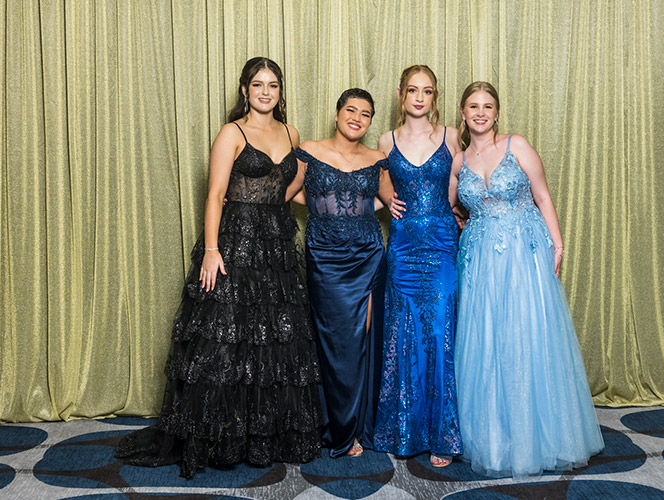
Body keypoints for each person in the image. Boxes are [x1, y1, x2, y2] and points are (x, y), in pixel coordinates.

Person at [115, 57, 322, 479]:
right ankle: (219, 438)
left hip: (276, 246)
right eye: (258, 84)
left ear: (281, 92)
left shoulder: (291, 132)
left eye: (273, 85)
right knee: (226, 340)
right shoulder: (232, 132)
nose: (266, 92)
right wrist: (212, 249)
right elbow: (214, 195)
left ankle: (262, 436)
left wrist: (282, 202)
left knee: (273, 340)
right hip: (234, 243)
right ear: (244, 90)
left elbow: (289, 185)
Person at [453, 81, 604, 477]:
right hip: (480, 256)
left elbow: (543, 196)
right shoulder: (458, 161)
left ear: (497, 113)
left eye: (487, 106)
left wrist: (557, 244)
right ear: (463, 114)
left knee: (526, 333)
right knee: (487, 339)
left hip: (524, 249)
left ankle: (542, 436)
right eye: (473, 106)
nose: (481, 112)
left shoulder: (516, 145)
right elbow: (448, 206)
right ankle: (494, 437)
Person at [288, 88, 393, 458]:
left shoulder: (377, 158)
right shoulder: (310, 152)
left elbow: (388, 201)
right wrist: (320, 207)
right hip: (325, 257)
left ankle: (359, 426)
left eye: (365, 114)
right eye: (351, 110)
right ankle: (337, 428)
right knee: (334, 341)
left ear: (369, 122)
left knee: (362, 339)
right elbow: (287, 192)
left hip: (367, 255)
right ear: (337, 114)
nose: (357, 118)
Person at [372, 65, 463, 467]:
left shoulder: (452, 137)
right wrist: (385, 202)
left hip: (443, 243)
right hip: (405, 246)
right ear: (401, 94)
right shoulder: (385, 140)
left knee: (441, 331)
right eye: (413, 90)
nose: (420, 97)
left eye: (427, 91)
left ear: (435, 96)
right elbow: (383, 191)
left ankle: (443, 435)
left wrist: (468, 212)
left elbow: (461, 187)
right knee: (403, 333)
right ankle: (402, 430)